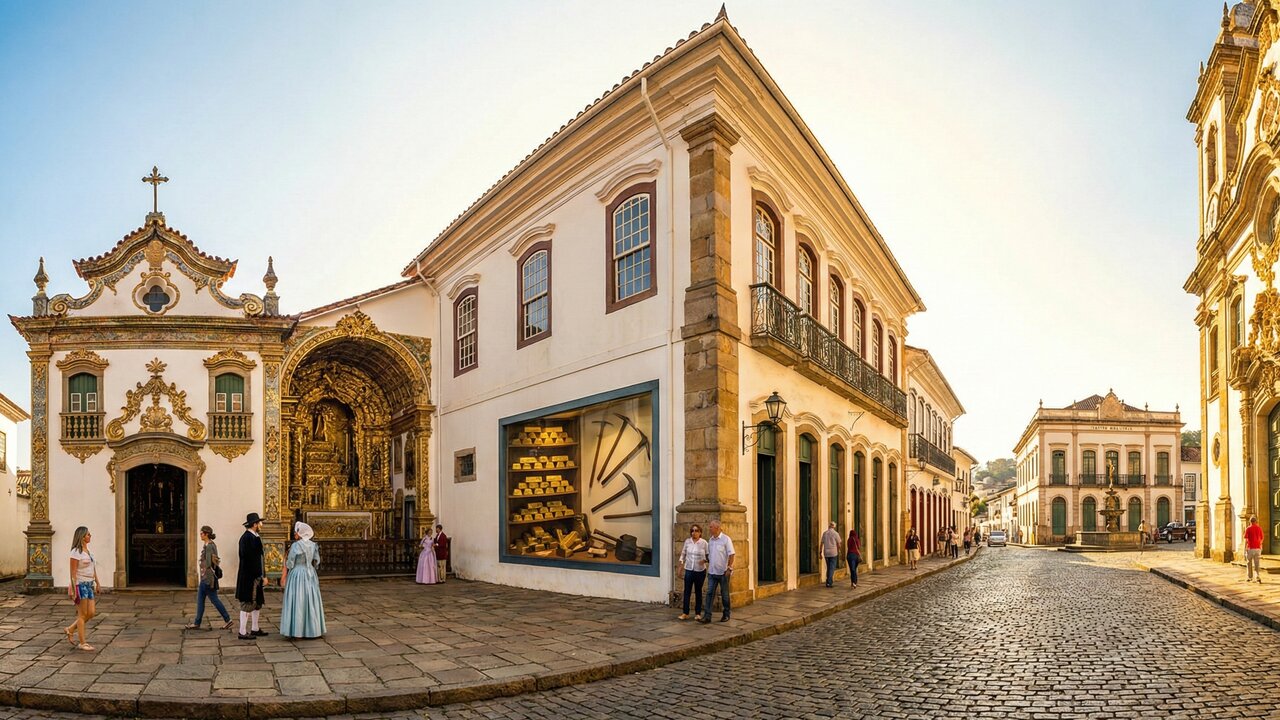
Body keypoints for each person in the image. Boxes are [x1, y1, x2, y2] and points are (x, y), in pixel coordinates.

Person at [280, 521, 327, 639]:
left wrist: (287, 570)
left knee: (297, 599)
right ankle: (313, 629)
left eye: (296, 532)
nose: (294, 534)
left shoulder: (296, 546)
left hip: (297, 573)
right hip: (309, 574)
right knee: (310, 599)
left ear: (300, 533)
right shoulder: (313, 545)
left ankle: (297, 630)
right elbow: (316, 560)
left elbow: (290, 563)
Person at [186, 526, 232, 631]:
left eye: (202, 533)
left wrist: (203, 569)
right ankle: (197, 622)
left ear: (206, 534)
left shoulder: (209, 546)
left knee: (213, 600)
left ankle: (227, 619)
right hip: (206, 577)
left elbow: (208, 563)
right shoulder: (208, 545)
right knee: (202, 601)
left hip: (207, 578)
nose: (200, 535)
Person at [64, 526, 99, 651]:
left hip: (89, 585)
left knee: (91, 613)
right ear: (82, 536)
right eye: (88, 534)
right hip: (80, 584)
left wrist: (97, 583)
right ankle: (83, 642)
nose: (90, 536)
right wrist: (73, 589)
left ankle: (71, 629)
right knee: (82, 614)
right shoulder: (75, 552)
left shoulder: (89, 552)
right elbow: (72, 573)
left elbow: (93, 569)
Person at [235, 512, 268, 641]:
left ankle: (255, 628)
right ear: (254, 524)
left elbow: (259, 558)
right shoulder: (247, 538)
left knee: (257, 602)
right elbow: (250, 559)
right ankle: (242, 631)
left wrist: (262, 574)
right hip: (250, 576)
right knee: (247, 602)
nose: (261, 524)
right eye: (259, 522)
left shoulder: (254, 537)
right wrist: (258, 575)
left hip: (256, 575)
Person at [698, 519, 735, 624]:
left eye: (711, 527)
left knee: (725, 594)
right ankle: (707, 616)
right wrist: (705, 560)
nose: (709, 528)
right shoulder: (710, 540)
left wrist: (729, 568)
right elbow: (711, 556)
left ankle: (726, 614)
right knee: (709, 593)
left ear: (717, 528)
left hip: (723, 573)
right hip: (712, 572)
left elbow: (731, 554)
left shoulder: (726, 539)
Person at [677, 524, 708, 620]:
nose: (694, 532)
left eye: (696, 530)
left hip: (700, 570)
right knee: (687, 591)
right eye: (692, 531)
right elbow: (683, 554)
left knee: (698, 591)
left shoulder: (704, 543)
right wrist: (680, 567)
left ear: (700, 533)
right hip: (689, 569)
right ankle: (685, 613)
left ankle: (698, 613)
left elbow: (708, 555)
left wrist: (704, 560)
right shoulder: (687, 542)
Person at [820, 521, 841, 588]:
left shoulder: (825, 533)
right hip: (833, 553)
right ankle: (828, 582)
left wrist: (820, 552)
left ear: (829, 526)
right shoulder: (836, 534)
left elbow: (821, 543)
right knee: (832, 568)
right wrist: (838, 550)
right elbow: (839, 544)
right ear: (834, 527)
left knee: (829, 567)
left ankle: (829, 581)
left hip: (826, 552)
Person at [1246, 516, 1264, 584]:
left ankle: (1250, 577)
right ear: (1256, 521)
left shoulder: (1248, 528)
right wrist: (1260, 545)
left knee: (1249, 563)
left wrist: (1245, 548)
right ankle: (1257, 577)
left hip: (1250, 548)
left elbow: (1246, 539)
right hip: (1257, 548)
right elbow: (1262, 538)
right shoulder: (1259, 528)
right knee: (1257, 563)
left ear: (1250, 522)